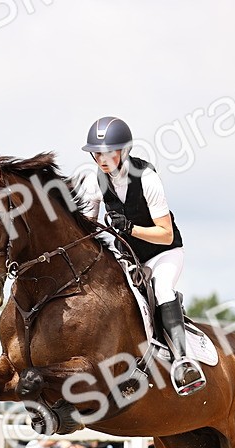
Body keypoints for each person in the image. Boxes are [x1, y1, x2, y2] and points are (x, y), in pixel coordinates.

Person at [78, 115, 206, 396]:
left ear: (123, 151)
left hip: (164, 254)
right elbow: (88, 227)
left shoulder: (146, 178)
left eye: (107, 152)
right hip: (130, 258)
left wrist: (132, 228)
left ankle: (183, 362)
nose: (101, 158)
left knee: (161, 289)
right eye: (96, 153)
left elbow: (166, 234)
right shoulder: (95, 181)